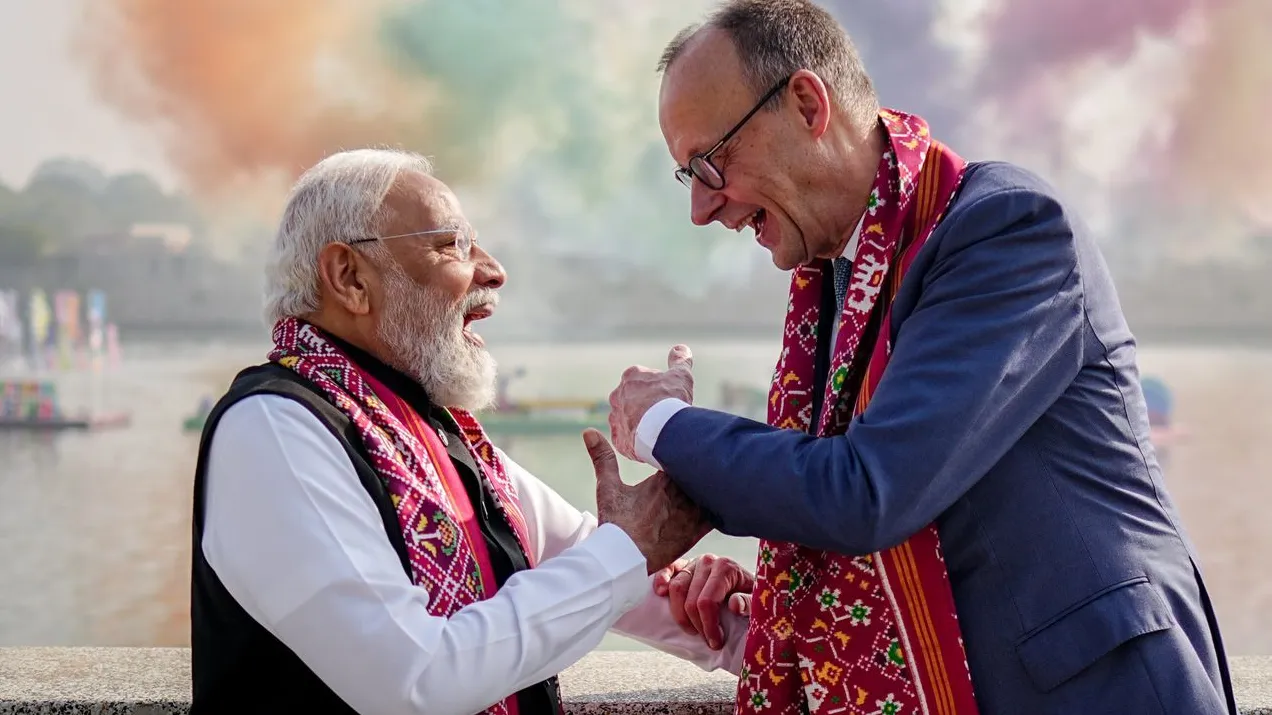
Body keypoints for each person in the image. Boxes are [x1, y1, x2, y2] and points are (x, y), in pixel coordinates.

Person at [604, 1, 1238, 713]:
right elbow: (883, 513)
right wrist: (782, 604)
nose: (702, 209)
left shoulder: (1006, 230)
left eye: (709, 163)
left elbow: (870, 490)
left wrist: (662, 423)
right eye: (687, 177)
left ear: (808, 105)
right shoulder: (836, 281)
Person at [190, 148, 754, 715]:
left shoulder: (433, 431)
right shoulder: (273, 430)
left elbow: (602, 562)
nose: (492, 270)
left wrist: (732, 617)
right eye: (451, 245)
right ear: (350, 278)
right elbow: (413, 683)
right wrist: (630, 549)